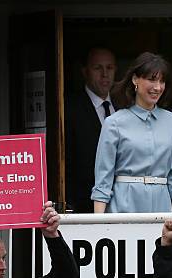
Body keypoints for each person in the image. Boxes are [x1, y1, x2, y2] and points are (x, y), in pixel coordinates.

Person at [91, 52, 172, 213]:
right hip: (124, 206)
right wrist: (99, 224)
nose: (158, 87)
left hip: (161, 206)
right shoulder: (114, 122)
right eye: (152, 79)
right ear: (135, 79)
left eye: (162, 81)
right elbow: (103, 180)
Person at [65, 47, 117, 213]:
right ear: (85, 71)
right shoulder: (68, 108)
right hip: (84, 205)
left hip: (122, 203)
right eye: (97, 68)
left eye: (109, 68)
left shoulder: (125, 105)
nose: (104, 74)